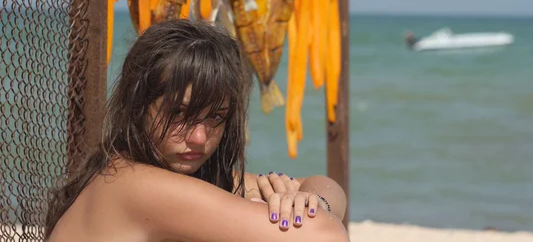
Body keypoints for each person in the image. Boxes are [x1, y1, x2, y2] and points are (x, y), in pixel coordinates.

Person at [45, 19, 348, 241]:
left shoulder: (121, 168)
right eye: (179, 113)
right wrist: (311, 214)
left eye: (216, 117)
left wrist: (310, 201)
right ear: (139, 105)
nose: (199, 138)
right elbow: (326, 235)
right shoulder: (138, 187)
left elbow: (324, 185)